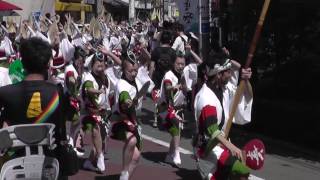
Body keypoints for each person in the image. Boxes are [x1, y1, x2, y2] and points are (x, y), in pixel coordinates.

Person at [0, 37, 67, 178]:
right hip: (49, 163)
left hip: (13, 164)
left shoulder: (5, 93)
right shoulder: (57, 92)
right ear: (48, 64)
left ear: (22, 63)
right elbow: (62, 131)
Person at [193, 51, 253, 180]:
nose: (231, 75)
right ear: (219, 74)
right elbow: (213, 131)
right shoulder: (206, 98)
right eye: (228, 72)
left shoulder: (224, 89)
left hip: (220, 144)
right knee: (242, 171)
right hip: (208, 149)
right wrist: (232, 147)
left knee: (234, 172)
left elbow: (246, 95)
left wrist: (246, 80)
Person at [111, 53, 142, 180]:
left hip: (134, 122)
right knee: (132, 140)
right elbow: (124, 98)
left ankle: (125, 178)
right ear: (124, 70)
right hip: (119, 121)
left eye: (135, 70)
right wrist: (127, 103)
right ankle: (124, 173)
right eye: (130, 71)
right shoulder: (121, 84)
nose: (134, 73)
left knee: (135, 157)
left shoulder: (138, 81)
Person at [158, 51, 188, 166]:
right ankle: (176, 152)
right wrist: (175, 87)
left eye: (182, 64)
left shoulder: (182, 75)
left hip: (176, 108)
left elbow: (185, 89)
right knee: (176, 128)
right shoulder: (169, 75)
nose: (180, 66)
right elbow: (167, 87)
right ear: (173, 63)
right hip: (164, 108)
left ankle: (169, 155)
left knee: (178, 130)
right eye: (178, 64)